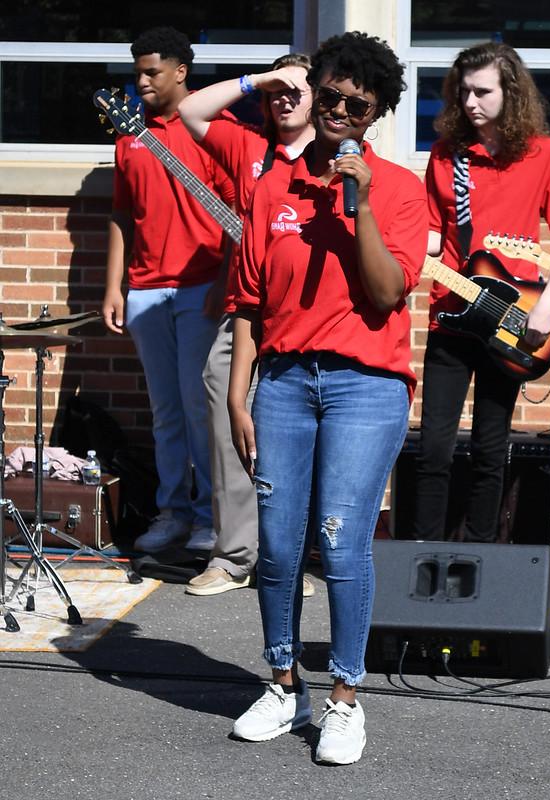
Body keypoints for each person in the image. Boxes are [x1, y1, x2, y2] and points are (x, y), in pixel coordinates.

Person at [227, 32, 427, 764]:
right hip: (280, 382)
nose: (340, 109)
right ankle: (285, 685)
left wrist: (360, 206)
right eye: (332, 94)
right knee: (278, 547)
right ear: (315, 92)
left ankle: (345, 697)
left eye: (357, 103)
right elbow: (248, 301)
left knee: (341, 540)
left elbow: (386, 291)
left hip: (364, 386)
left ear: (375, 114)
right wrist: (237, 396)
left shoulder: (400, 189)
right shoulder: (271, 186)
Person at [412, 42, 550, 543]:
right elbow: (429, 231)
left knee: (491, 446)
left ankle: (479, 558)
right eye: (462, 91)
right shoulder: (447, 154)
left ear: (510, 93)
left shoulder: (544, 153)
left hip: (513, 316)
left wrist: (548, 303)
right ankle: (420, 558)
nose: (470, 102)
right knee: (434, 449)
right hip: (450, 313)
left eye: (482, 92)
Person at [177, 54, 316, 597]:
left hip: (304, 317)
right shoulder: (247, 145)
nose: (283, 97)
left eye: (295, 88)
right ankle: (232, 556)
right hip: (242, 310)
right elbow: (190, 111)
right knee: (226, 426)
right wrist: (256, 79)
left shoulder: (328, 154)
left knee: (295, 437)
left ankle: (283, 560)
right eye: (275, 90)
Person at [102, 26, 234, 554]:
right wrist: (114, 286)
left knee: (200, 405)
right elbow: (121, 216)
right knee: (165, 410)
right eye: (136, 72)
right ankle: (172, 512)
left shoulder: (214, 130)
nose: (142, 81)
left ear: (181, 71)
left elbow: (236, 215)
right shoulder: (129, 136)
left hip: (201, 286)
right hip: (146, 289)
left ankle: (209, 518)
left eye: (151, 71)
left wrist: (224, 281)